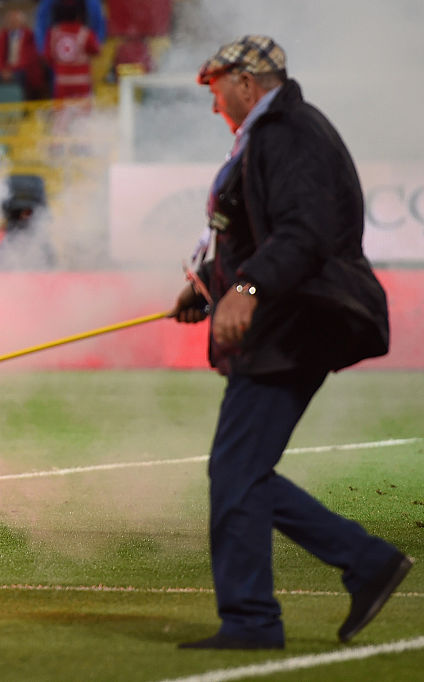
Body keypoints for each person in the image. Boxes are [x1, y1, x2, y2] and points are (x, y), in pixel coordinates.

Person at [169, 35, 413, 650]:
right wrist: (209, 287)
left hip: (294, 320)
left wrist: (245, 292)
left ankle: (256, 618)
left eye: (216, 87)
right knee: (241, 472)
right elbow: (257, 233)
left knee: (236, 471)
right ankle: (362, 563)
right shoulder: (272, 133)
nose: (213, 101)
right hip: (289, 318)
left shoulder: (288, 132)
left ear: (246, 84)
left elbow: (305, 233)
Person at [43, 3, 100, 100]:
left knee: (62, 113)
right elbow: (95, 51)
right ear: (78, 15)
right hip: (81, 82)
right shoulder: (85, 33)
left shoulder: (53, 33)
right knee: (83, 113)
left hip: (61, 82)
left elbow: (48, 56)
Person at [0, 9, 46, 101]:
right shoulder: (1, 36)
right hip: (4, 69)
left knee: (21, 77)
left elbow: (29, 57)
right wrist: (2, 69)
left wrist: (12, 70)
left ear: (21, 23)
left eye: (14, 21)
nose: (12, 23)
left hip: (22, 70)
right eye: (10, 21)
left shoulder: (30, 37)